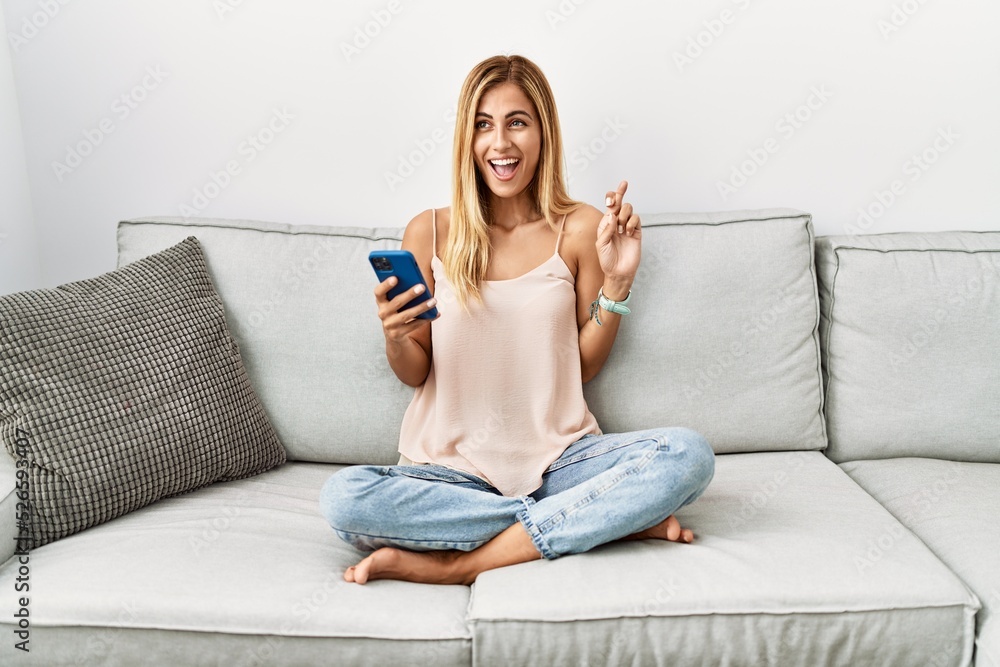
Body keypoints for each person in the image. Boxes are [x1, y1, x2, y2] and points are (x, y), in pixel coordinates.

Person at [320, 54, 715, 586]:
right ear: (467, 137)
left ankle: (464, 563)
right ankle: (602, 520)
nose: (500, 143)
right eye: (483, 125)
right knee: (344, 499)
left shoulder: (579, 229)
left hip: (560, 466)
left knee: (687, 455)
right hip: (449, 474)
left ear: (543, 132)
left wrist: (618, 285)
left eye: (517, 123)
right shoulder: (430, 231)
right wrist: (394, 337)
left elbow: (584, 367)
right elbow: (415, 371)